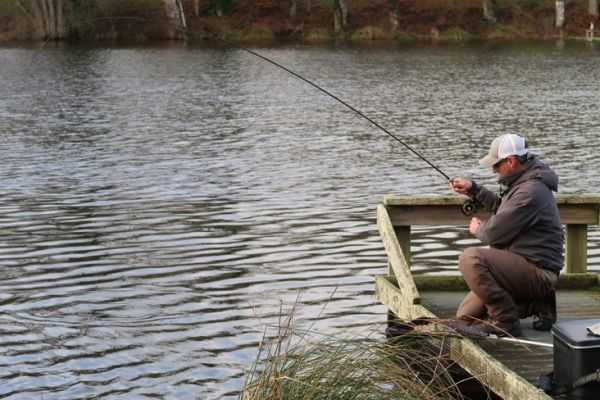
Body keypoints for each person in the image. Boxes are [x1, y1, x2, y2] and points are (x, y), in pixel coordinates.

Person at [449, 133, 563, 337]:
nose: (493, 169)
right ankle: (535, 303)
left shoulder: (530, 191)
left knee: (470, 258)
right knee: (465, 319)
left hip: (538, 271)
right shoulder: (525, 182)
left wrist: (478, 230)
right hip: (522, 265)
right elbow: (505, 209)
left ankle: (505, 321)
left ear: (510, 161)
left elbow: (494, 234)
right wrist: (474, 190)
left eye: (496, 164)